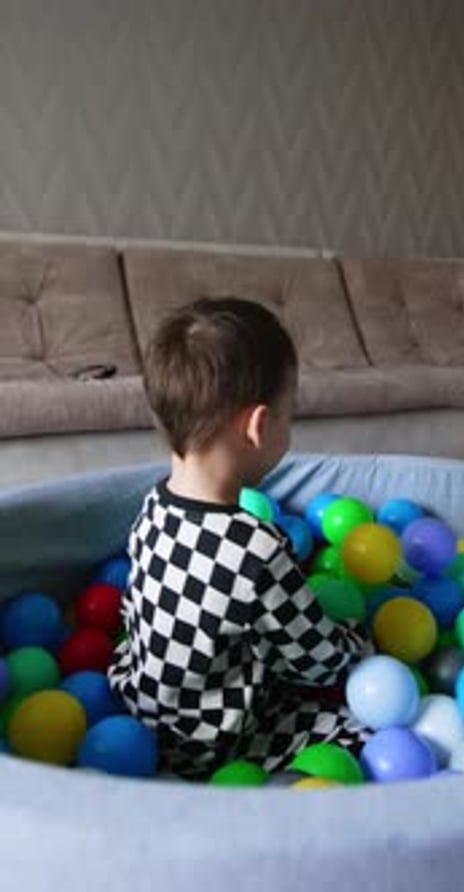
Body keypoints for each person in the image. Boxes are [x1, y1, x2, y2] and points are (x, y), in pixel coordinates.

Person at [108, 297, 372, 779]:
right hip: (211, 747)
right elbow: (317, 663)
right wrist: (360, 636)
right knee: (364, 730)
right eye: (289, 415)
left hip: (139, 715)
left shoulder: (152, 507)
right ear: (259, 425)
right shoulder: (255, 548)